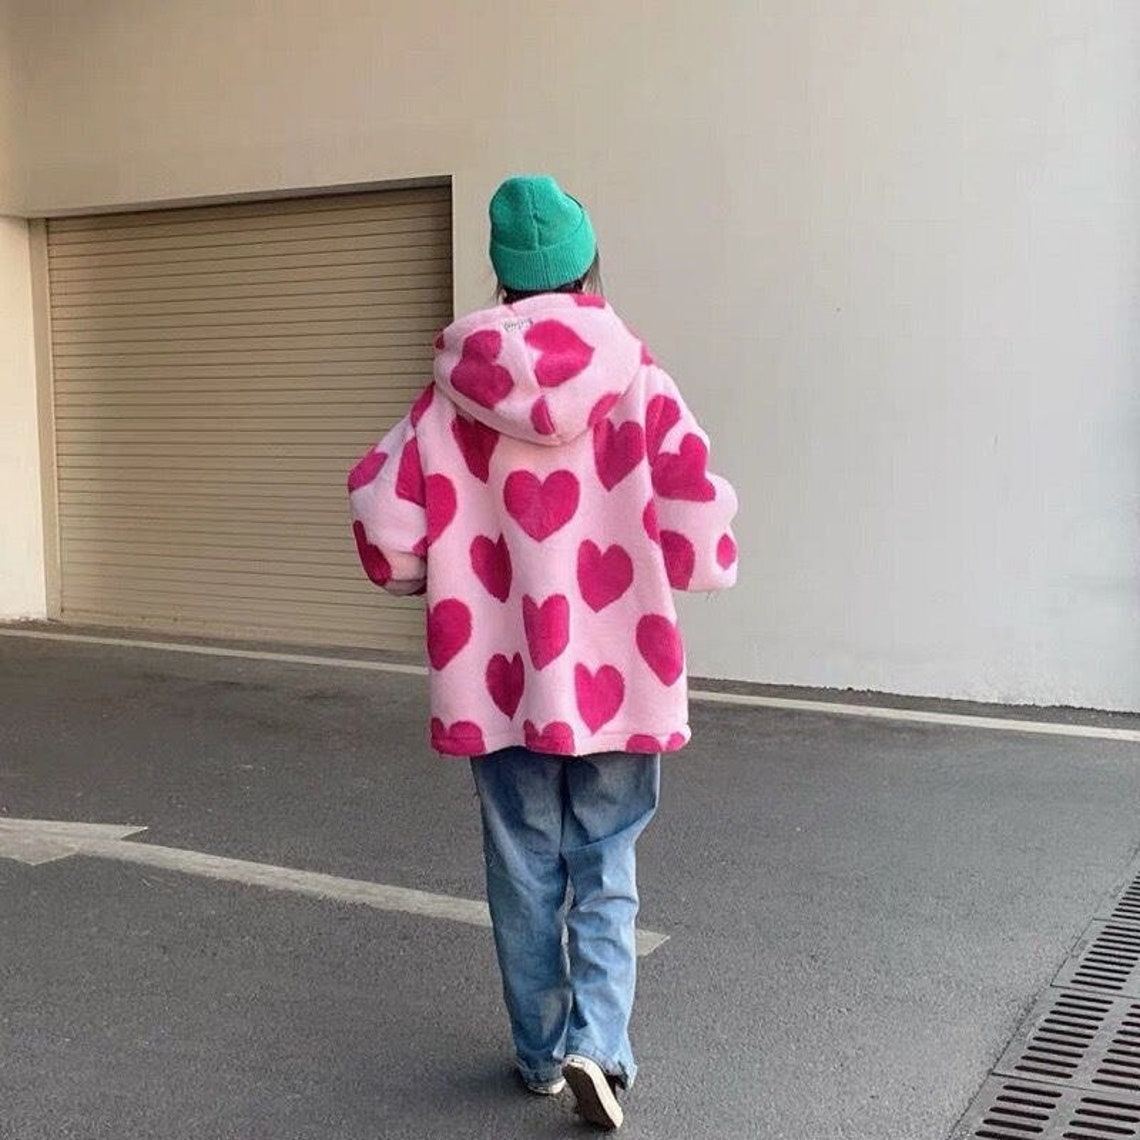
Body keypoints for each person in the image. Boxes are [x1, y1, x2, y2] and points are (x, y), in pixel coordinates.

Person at [347, 174, 738, 1131]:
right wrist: (689, 555)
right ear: (587, 264)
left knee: (523, 862)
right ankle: (597, 1048)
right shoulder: (638, 377)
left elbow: (385, 520)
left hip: (496, 678)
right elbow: (699, 526)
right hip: (621, 676)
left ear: (505, 278)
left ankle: (537, 1054)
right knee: (606, 860)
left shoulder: (450, 394)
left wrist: (429, 574)